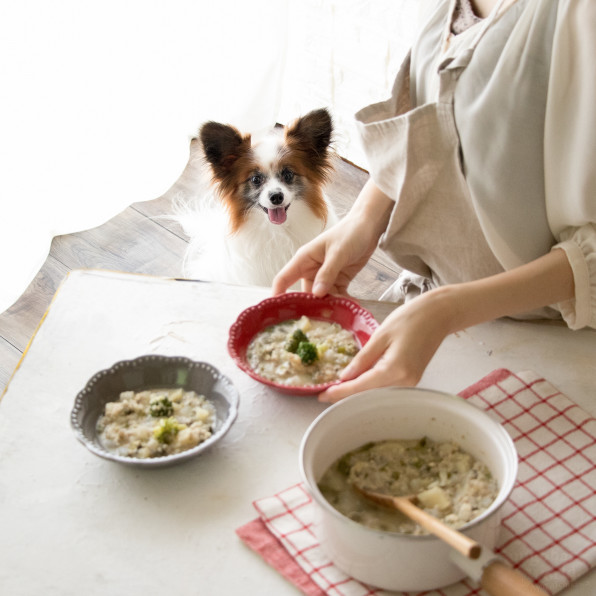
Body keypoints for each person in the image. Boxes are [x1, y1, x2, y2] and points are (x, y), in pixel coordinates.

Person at [272, 0, 596, 403]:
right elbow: (435, 113)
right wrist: (363, 218)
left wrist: (451, 309)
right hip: (432, 315)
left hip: (553, 346)